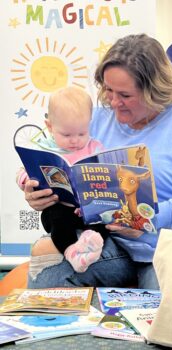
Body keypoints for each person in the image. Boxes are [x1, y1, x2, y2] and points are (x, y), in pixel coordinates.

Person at [22, 33, 172, 289]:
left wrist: (149, 219)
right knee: (49, 279)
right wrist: (42, 192)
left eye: (125, 95)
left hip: (171, 247)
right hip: (114, 245)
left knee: (166, 314)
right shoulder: (99, 118)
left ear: (155, 90)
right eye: (108, 90)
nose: (113, 102)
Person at [17, 86, 104, 273]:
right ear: (49, 127)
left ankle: (91, 241)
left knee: (104, 222)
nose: (75, 140)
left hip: (87, 209)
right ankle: (72, 251)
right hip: (58, 208)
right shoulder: (44, 147)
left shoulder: (95, 147)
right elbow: (24, 171)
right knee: (57, 220)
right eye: (66, 135)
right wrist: (26, 181)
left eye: (82, 133)